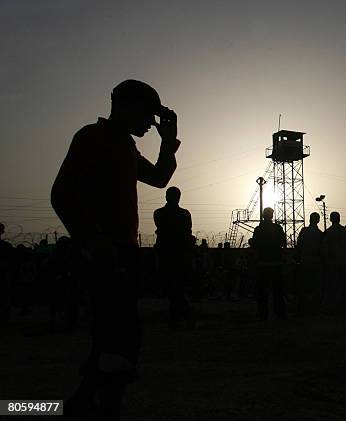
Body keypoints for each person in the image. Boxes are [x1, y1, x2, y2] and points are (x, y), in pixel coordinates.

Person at [51, 79, 180, 420]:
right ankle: (101, 407)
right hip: (102, 254)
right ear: (124, 106)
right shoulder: (92, 138)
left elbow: (159, 178)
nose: (150, 125)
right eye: (148, 116)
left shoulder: (125, 146)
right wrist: (92, 240)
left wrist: (168, 143)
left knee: (112, 337)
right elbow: (61, 195)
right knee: (120, 337)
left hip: (121, 253)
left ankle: (84, 404)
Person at [154, 187, 193, 329]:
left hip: (167, 254)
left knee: (172, 287)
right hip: (179, 255)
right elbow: (187, 234)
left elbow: (163, 230)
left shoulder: (159, 213)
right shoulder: (184, 214)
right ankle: (182, 315)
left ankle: (178, 316)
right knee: (177, 287)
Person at [251, 207, 286, 320]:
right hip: (276, 263)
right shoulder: (277, 228)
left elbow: (255, 244)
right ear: (272, 215)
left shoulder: (259, 229)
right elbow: (283, 242)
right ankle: (279, 313)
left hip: (262, 264)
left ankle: (263, 314)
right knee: (278, 291)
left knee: (262, 292)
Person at [321, 212, 346, 313]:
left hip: (332, 262)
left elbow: (325, 249)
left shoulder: (328, 232)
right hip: (344, 261)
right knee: (345, 284)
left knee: (333, 285)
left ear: (331, 219)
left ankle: (333, 306)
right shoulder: (345, 231)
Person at [295, 212, 324, 315]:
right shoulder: (320, 234)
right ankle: (315, 307)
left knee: (305, 285)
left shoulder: (304, 231)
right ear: (318, 220)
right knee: (316, 285)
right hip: (316, 261)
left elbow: (298, 245)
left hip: (305, 260)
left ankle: (304, 307)